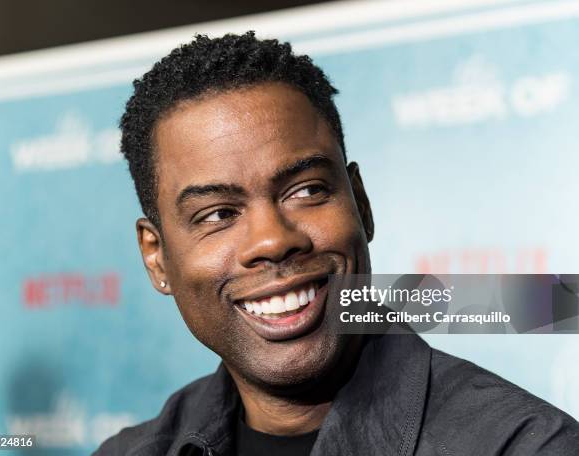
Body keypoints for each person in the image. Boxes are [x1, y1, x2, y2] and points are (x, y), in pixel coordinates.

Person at [94, 32, 579, 455]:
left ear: (361, 204)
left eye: (306, 191)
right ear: (156, 257)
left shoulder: (523, 445)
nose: (271, 240)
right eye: (218, 214)